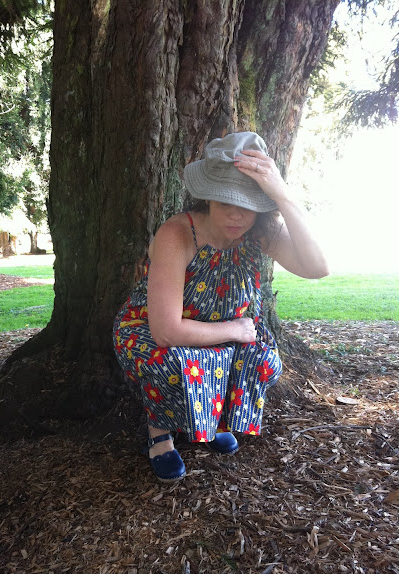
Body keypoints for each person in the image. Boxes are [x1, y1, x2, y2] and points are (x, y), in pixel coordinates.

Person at [113, 132, 328, 482]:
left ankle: (210, 420)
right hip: (154, 331)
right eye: (225, 199)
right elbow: (166, 331)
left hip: (221, 329)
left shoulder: (258, 232)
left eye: (248, 203)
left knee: (262, 359)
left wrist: (283, 195)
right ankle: (160, 429)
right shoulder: (178, 234)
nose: (235, 214)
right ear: (208, 196)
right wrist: (234, 329)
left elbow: (317, 267)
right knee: (175, 364)